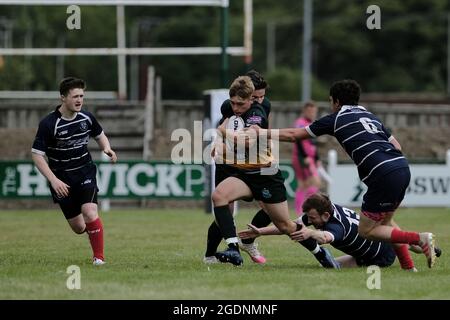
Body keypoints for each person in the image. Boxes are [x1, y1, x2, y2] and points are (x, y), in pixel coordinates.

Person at [250, 79, 437, 269]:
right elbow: (397, 146)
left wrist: (262, 133)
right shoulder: (370, 116)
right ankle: (409, 266)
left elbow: (293, 135)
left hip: (382, 173)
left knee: (366, 230)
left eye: (331, 101)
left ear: (336, 101)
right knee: (386, 222)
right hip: (401, 167)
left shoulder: (336, 118)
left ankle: (419, 238)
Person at [31, 77, 117, 266]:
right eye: (75, 96)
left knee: (90, 211)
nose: (79, 100)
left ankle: (99, 258)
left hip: (85, 172)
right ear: (63, 98)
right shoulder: (48, 124)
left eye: (82, 96)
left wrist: (107, 148)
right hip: (61, 180)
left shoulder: (86, 118)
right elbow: (37, 155)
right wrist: (54, 181)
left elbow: (100, 135)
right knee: (79, 227)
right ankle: (95, 230)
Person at [240, 193, 440, 269]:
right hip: (371, 246)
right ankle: (426, 247)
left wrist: (310, 233)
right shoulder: (328, 208)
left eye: (313, 219)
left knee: (333, 267)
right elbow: (291, 226)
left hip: (379, 258)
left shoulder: (336, 226)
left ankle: (418, 245)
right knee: (331, 267)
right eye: (308, 218)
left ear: (325, 216)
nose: (309, 222)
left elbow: (326, 237)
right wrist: (260, 232)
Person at [204, 70, 272, 265]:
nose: (259, 100)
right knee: (224, 208)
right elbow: (223, 125)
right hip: (229, 161)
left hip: (253, 160)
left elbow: (261, 132)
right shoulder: (231, 106)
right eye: (255, 96)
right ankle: (210, 254)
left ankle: (247, 240)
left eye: (261, 96)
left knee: (269, 206)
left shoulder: (263, 107)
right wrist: (218, 141)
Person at [292, 101, 322, 215]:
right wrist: (305, 156)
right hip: (302, 158)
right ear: (304, 111)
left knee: (304, 185)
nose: (312, 113)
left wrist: (317, 158)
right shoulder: (300, 123)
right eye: (310, 111)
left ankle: (301, 211)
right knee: (315, 183)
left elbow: (313, 143)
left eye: (314, 111)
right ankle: (305, 210)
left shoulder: (312, 123)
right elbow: (298, 140)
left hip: (310, 158)